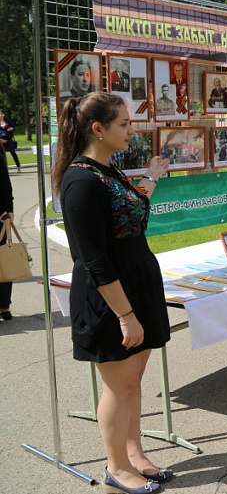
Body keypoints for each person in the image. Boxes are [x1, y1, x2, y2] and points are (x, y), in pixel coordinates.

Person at [55, 92, 173, 493]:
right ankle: (116, 468)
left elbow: (131, 211)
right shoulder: (81, 181)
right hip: (111, 296)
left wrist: (152, 175)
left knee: (133, 381)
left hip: (135, 284)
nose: (131, 130)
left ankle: (134, 456)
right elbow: (95, 260)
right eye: (123, 124)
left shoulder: (108, 171)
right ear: (98, 129)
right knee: (119, 385)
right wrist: (125, 315)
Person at [0, 136, 13, 321]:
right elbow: (5, 183)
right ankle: (4, 306)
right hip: (1, 214)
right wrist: (9, 210)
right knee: (4, 259)